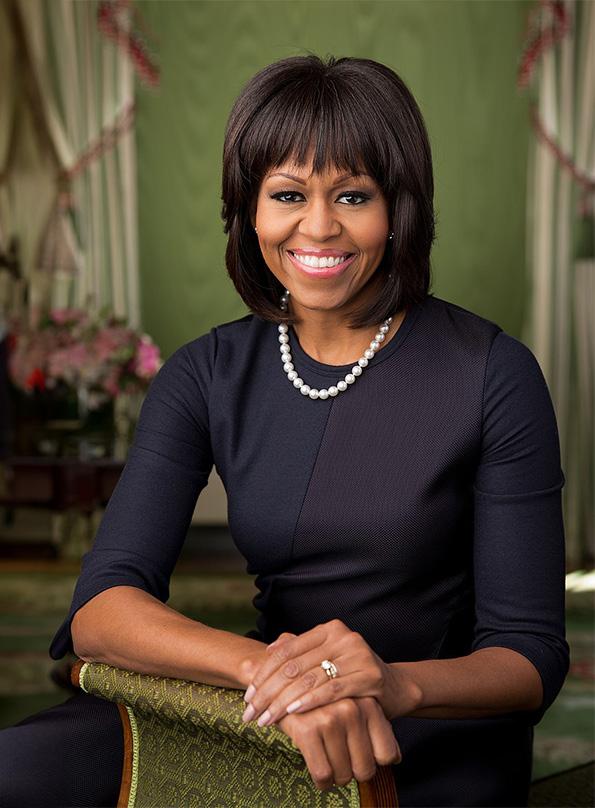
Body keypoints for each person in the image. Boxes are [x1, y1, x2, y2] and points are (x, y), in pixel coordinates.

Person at [0, 54, 569, 808]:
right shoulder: (206, 372)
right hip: (267, 705)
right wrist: (272, 674)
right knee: (20, 770)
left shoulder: (493, 372)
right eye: (288, 195)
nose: (319, 226)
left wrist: (389, 683)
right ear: (250, 211)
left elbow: (528, 656)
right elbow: (102, 609)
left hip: (424, 726)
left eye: (354, 195)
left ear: (399, 208)